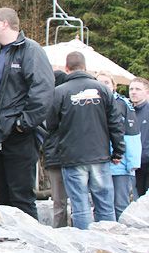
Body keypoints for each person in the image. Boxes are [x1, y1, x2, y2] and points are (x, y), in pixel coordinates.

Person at [0, 7, 54, 219]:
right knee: (1, 198)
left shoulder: (30, 50)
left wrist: (21, 125)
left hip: (18, 137)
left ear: (5, 24)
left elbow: (43, 92)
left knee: (21, 199)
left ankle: (31, 240)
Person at [46, 52, 124, 230]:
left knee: (80, 205)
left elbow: (51, 125)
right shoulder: (103, 90)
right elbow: (115, 123)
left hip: (72, 156)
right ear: (85, 67)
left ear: (67, 68)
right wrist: (118, 151)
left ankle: (85, 241)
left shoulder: (59, 92)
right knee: (105, 204)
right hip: (99, 155)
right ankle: (108, 239)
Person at [97, 72, 140, 220]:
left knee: (120, 204)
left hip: (120, 164)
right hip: (98, 162)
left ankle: (122, 232)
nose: (103, 85)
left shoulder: (123, 104)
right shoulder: (91, 104)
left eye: (106, 82)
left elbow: (132, 135)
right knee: (101, 204)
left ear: (114, 86)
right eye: (99, 82)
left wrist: (132, 163)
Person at [43, 70, 71, 227]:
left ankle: (60, 229)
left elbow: (48, 126)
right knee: (73, 199)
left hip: (55, 155)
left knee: (59, 201)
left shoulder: (51, 100)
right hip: (69, 155)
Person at [129, 77, 149, 196]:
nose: (133, 92)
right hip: (133, 165)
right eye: (131, 89)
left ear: (147, 92)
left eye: (138, 89)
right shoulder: (127, 111)